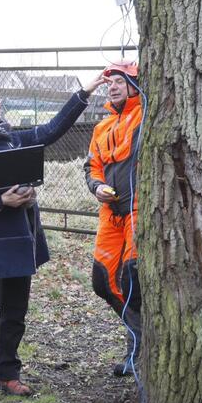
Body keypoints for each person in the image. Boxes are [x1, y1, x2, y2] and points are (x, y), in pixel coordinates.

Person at [0, 72, 107, 403]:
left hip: (20, 237)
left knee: (15, 313)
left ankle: (7, 374)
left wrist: (85, 92)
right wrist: (0, 202)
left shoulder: (8, 137)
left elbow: (49, 132)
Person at [83, 61, 144, 377]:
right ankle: (139, 338)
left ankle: (139, 349)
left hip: (139, 209)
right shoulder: (101, 128)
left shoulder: (146, 117)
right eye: (109, 83)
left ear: (135, 84)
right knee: (103, 281)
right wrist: (97, 186)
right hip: (111, 213)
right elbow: (91, 167)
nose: (113, 86)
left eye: (119, 80)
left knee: (133, 279)